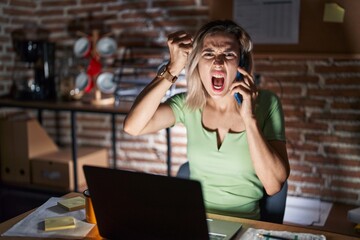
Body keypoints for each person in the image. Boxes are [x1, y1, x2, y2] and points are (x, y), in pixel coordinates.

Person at [123, 20, 290, 220]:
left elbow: (273, 186)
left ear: (241, 64)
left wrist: (249, 118)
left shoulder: (267, 103)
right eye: (208, 54)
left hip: (245, 226)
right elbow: (133, 127)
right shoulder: (188, 104)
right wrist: (173, 68)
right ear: (197, 63)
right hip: (195, 223)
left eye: (228, 54)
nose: (218, 62)